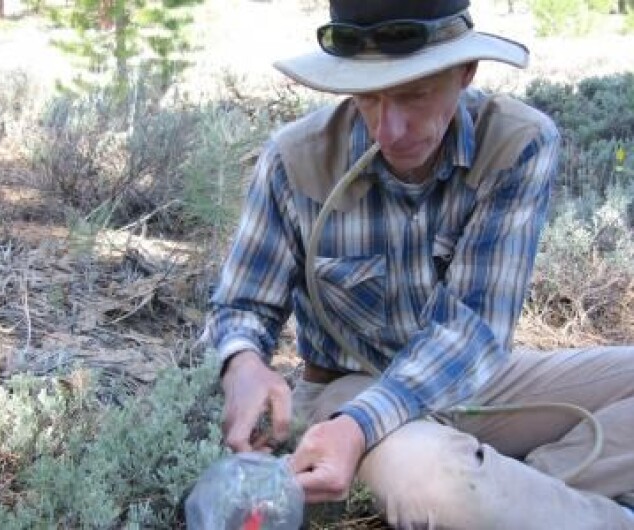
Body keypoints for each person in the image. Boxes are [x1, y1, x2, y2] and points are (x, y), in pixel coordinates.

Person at [206, 0, 634, 528]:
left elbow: (473, 330)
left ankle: (511, 490)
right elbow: (242, 303)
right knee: (435, 481)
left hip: (475, 381)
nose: (388, 130)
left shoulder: (518, 144)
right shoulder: (296, 159)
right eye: (367, 98)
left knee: (453, 481)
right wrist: (242, 360)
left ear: (465, 72)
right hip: (348, 388)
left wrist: (366, 427)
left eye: (414, 94)